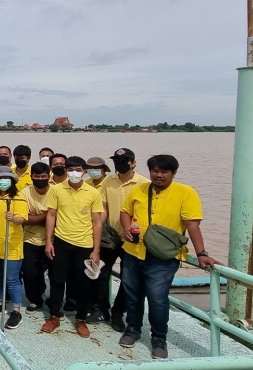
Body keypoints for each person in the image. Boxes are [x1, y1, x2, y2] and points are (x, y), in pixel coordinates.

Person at [119, 154, 218, 359]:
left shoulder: (185, 193)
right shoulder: (139, 190)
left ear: (173, 173)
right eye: (155, 171)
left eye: (164, 171)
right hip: (133, 252)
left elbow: (192, 225)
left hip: (163, 257)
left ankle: (158, 339)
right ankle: (133, 329)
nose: (159, 175)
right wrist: (127, 227)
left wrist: (201, 253)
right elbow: (125, 211)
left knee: (157, 299)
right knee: (133, 295)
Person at [42, 156, 104, 338]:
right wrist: (48, 241)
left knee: (83, 283)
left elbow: (97, 222)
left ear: (84, 171)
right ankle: (54, 315)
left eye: (77, 170)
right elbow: (51, 215)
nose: (74, 173)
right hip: (61, 241)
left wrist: (96, 250)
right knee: (57, 280)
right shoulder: (57, 190)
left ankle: (81, 319)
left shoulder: (93, 192)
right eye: (70, 170)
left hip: (85, 244)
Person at [90, 148, 148, 331]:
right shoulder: (109, 180)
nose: (120, 163)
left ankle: (118, 312)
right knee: (101, 274)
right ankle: (102, 309)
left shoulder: (143, 184)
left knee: (128, 279)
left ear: (133, 162)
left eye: (124, 160)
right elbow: (104, 207)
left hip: (132, 239)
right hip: (111, 236)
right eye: (116, 160)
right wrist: (98, 229)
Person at [0, 166, 28, 329]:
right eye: (0, 179)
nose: (3, 181)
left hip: (12, 244)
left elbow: (22, 219)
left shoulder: (18, 197)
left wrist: (13, 218)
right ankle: (0, 303)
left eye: (7, 179)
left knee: (12, 279)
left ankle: (16, 310)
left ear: (12, 181)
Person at [20, 162, 54, 314]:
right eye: (37, 176)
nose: (40, 178)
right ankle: (35, 300)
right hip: (30, 239)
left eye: (43, 176)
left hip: (54, 240)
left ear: (49, 176)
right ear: (31, 176)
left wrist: (36, 217)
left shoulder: (56, 191)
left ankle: (55, 301)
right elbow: (24, 218)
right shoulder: (24, 193)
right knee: (30, 272)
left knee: (56, 274)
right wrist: (48, 217)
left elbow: (61, 218)